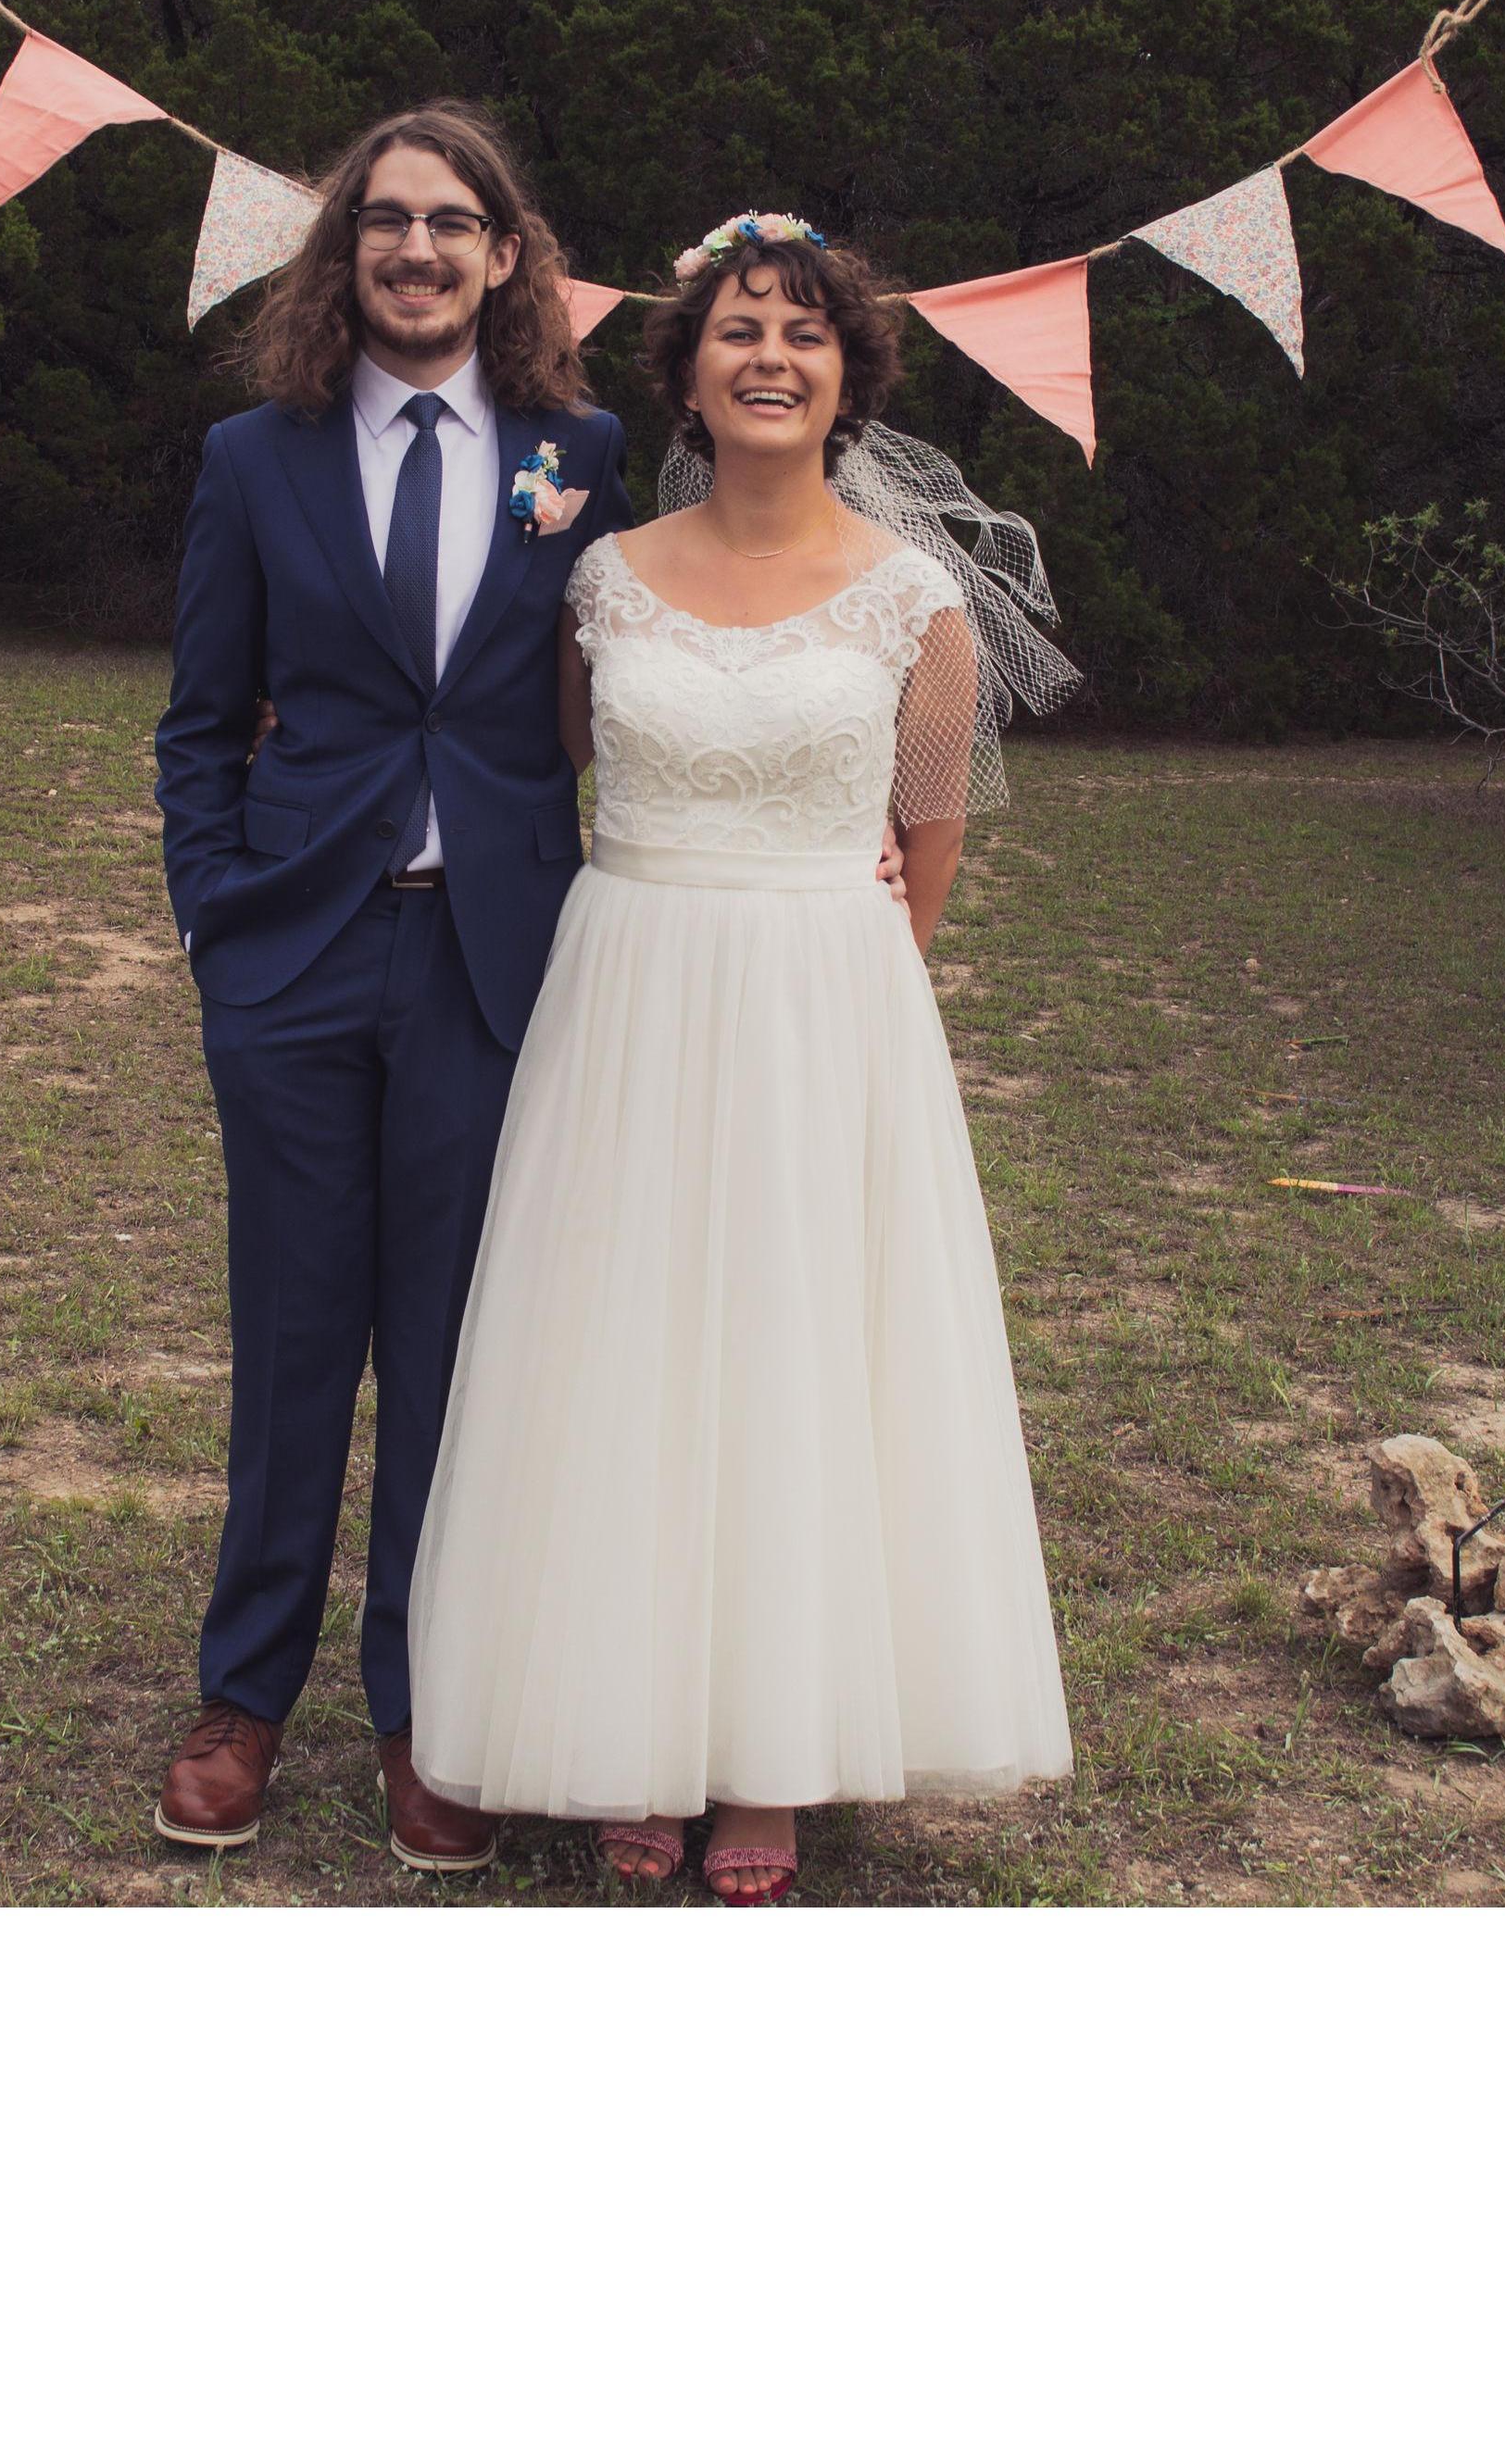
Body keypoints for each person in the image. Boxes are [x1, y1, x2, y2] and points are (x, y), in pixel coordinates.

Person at [408, 213, 1076, 1901]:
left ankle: (770, 1754)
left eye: (803, 332)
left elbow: (927, 843)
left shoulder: (920, 606)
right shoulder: (602, 579)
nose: (769, 355)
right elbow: (556, 764)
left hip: (822, 1015)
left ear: (848, 374)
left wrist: (836, 1004)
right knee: (627, 1347)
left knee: (789, 1360)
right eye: (736, 330)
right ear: (687, 374)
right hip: (627, 993)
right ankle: (633, 1728)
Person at [147, 101, 633, 1871]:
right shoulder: (252, 461)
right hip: (293, 953)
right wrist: (219, 919)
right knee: (293, 1343)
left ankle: (430, 1716)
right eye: (384, 221)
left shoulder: (583, 450)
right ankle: (243, 1700)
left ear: (509, 257)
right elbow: (199, 725)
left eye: (453, 222)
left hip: (491, 964)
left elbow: (651, 684)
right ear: (344, 252)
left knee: (450, 1355)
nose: (416, 248)